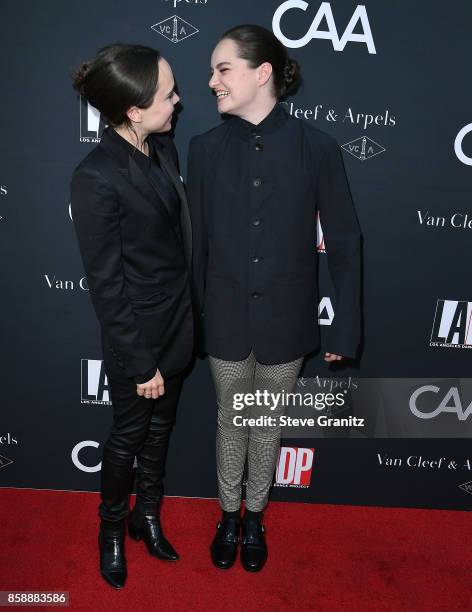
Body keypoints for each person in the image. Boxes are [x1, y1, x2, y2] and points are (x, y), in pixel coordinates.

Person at [187, 25, 361, 572]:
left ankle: (255, 516)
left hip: (287, 319)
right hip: (225, 318)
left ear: (262, 73)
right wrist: (190, 322)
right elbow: (194, 247)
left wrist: (347, 327)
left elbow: (345, 239)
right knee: (229, 418)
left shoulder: (318, 148)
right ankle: (226, 515)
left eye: (223, 69)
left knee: (266, 423)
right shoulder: (205, 149)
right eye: (213, 70)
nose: (211, 81)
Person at [70, 43, 193, 589]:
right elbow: (107, 285)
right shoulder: (95, 176)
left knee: (163, 428)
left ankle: (148, 516)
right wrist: (141, 363)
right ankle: (113, 530)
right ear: (135, 110)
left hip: (179, 325)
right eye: (169, 94)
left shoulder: (163, 149)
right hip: (138, 339)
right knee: (128, 434)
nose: (179, 102)